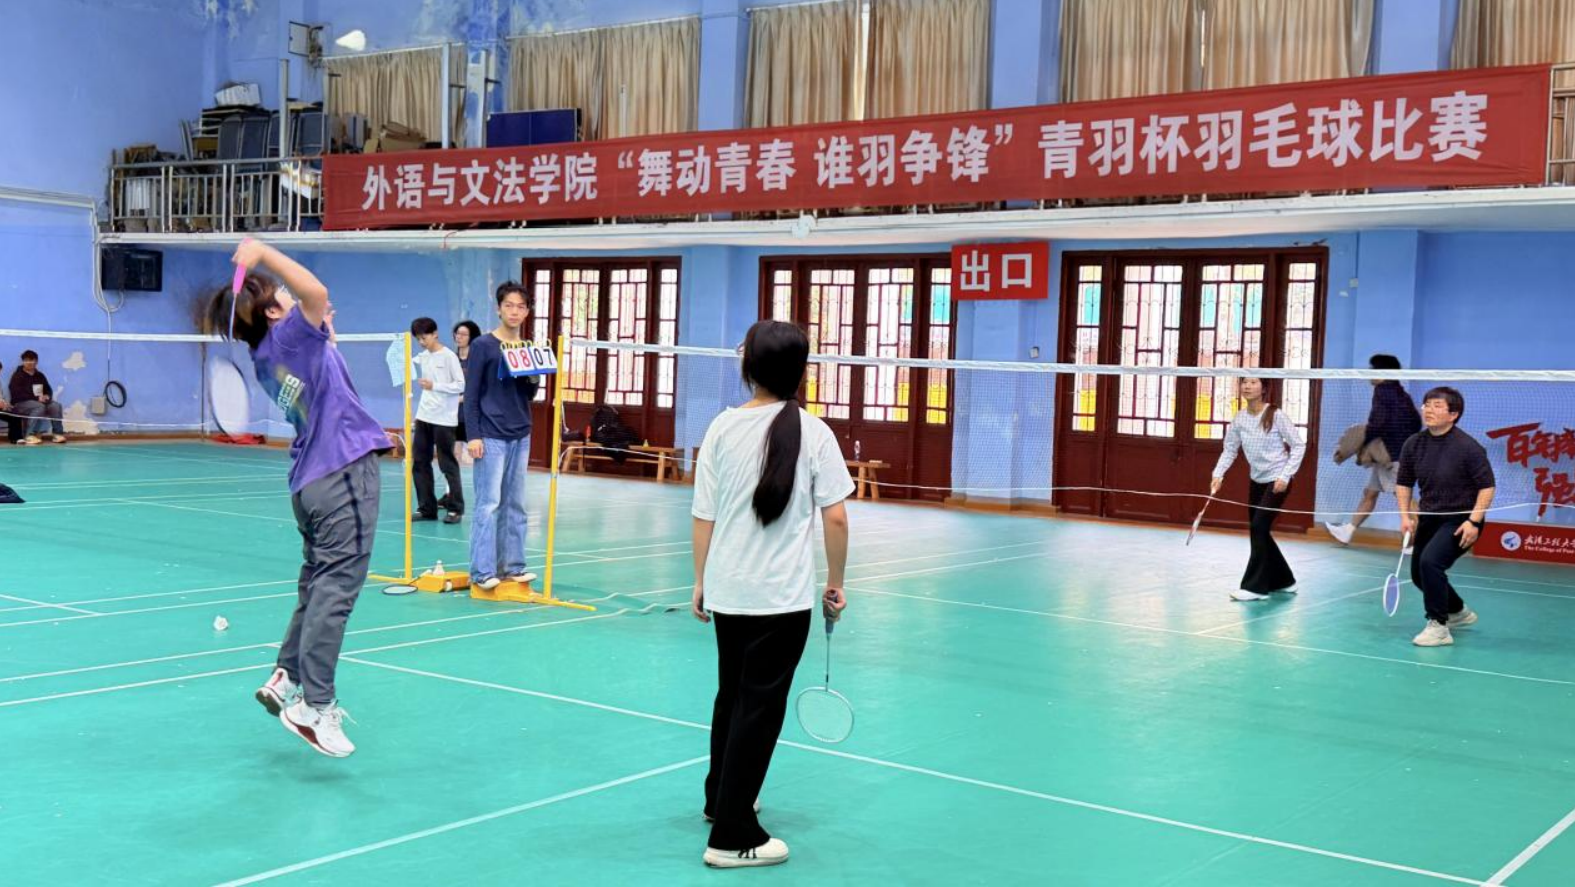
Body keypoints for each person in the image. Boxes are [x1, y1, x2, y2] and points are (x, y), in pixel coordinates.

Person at [204, 238, 389, 758]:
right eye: (281, 294)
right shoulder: (288, 338)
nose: (292, 295)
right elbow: (317, 291)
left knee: (316, 586)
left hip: (309, 484)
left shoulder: (267, 354)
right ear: (272, 311)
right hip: (341, 474)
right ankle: (315, 706)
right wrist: (262, 254)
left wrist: (323, 330)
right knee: (337, 591)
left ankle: (286, 674)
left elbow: (323, 362)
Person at [691, 320, 854, 869]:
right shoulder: (816, 433)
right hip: (780, 601)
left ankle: (720, 798)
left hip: (729, 590)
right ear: (800, 372)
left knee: (732, 697)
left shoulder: (721, 427)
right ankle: (732, 835)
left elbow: (704, 514)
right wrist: (836, 582)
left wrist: (700, 580)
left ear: (749, 368)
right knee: (758, 710)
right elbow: (836, 518)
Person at [1396, 387, 1495, 647]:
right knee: (1418, 575)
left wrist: (1474, 522)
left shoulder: (1468, 447)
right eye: (1426, 404)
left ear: (1453, 414)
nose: (1428, 410)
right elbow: (1404, 482)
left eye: (1437, 406)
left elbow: (1487, 487)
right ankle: (1458, 611)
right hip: (1429, 517)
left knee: (1430, 563)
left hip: (1460, 520)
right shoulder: (1413, 444)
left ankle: (1438, 626)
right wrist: (1405, 516)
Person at [463, 285, 541, 591]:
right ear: (499, 309)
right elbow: (471, 395)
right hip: (490, 434)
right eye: (509, 305)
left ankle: (513, 567)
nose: (514, 311)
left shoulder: (527, 348)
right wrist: (473, 435)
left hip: (520, 433)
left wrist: (534, 377)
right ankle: (482, 572)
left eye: (520, 307)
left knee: (515, 504)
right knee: (489, 504)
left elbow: (528, 393)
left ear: (526, 312)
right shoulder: (483, 345)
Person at [1210, 376, 1307, 602]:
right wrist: (1218, 473)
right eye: (1244, 382)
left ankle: (1255, 588)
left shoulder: (1275, 414)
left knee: (1258, 527)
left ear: (1264, 388)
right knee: (1259, 530)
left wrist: (1286, 475)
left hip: (1277, 481)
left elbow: (1298, 445)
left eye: (1253, 382)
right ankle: (1284, 581)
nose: (1247, 386)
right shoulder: (1240, 419)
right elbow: (1230, 449)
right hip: (1257, 480)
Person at [1325, 354, 1421, 545]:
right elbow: (1416, 423)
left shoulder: (1382, 391)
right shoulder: (1402, 394)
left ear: (1383, 372)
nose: (1369, 373)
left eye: (1373, 369)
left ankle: (1418, 542)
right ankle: (1347, 531)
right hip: (1387, 456)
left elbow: (1377, 424)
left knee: (1405, 500)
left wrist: (1359, 444)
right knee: (1370, 493)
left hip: (1393, 457)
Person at [410, 317, 465, 524]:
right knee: (419, 462)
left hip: (444, 419)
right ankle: (427, 508)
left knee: (446, 463)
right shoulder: (423, 357)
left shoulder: (449, 357)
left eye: (424, 338)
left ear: (435, 334)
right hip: (424, 416)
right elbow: (407, 363)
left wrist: (435, 386)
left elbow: (460, 385)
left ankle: (455, 509)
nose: (421, 342)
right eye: (418, 339)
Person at [9, 350, 66, 444]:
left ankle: (58, 434)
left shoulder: (40, 375)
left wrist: (47, 396)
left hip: (39, 402)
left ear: (36, 361)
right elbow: (17, 393)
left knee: (56, 406)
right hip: (20, 403)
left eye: (32, 360)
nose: (30, 362)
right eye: (27, 360)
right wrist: (36, 399)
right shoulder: (17, 376)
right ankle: (29, 435)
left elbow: (48, 389)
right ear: (23, 362)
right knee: (39, 406)